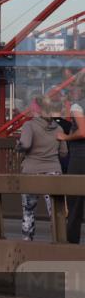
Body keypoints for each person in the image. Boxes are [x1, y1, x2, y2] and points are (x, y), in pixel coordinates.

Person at [18, 98, 66, 241]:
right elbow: (64, 153)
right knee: (55, 210)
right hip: (53, 171)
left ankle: (27, 241)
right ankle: (59, 240)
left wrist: (18, 146)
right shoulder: (58, 128)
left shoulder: (29, 125)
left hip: (31, 172)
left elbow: (25, 145)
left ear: (34, 110)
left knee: (28, 210)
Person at [57, 76, 85, 243]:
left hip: (80, 159)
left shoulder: (78, 106)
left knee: (75, 204)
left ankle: (71, 245)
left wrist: (65, 138)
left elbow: (82, 132)